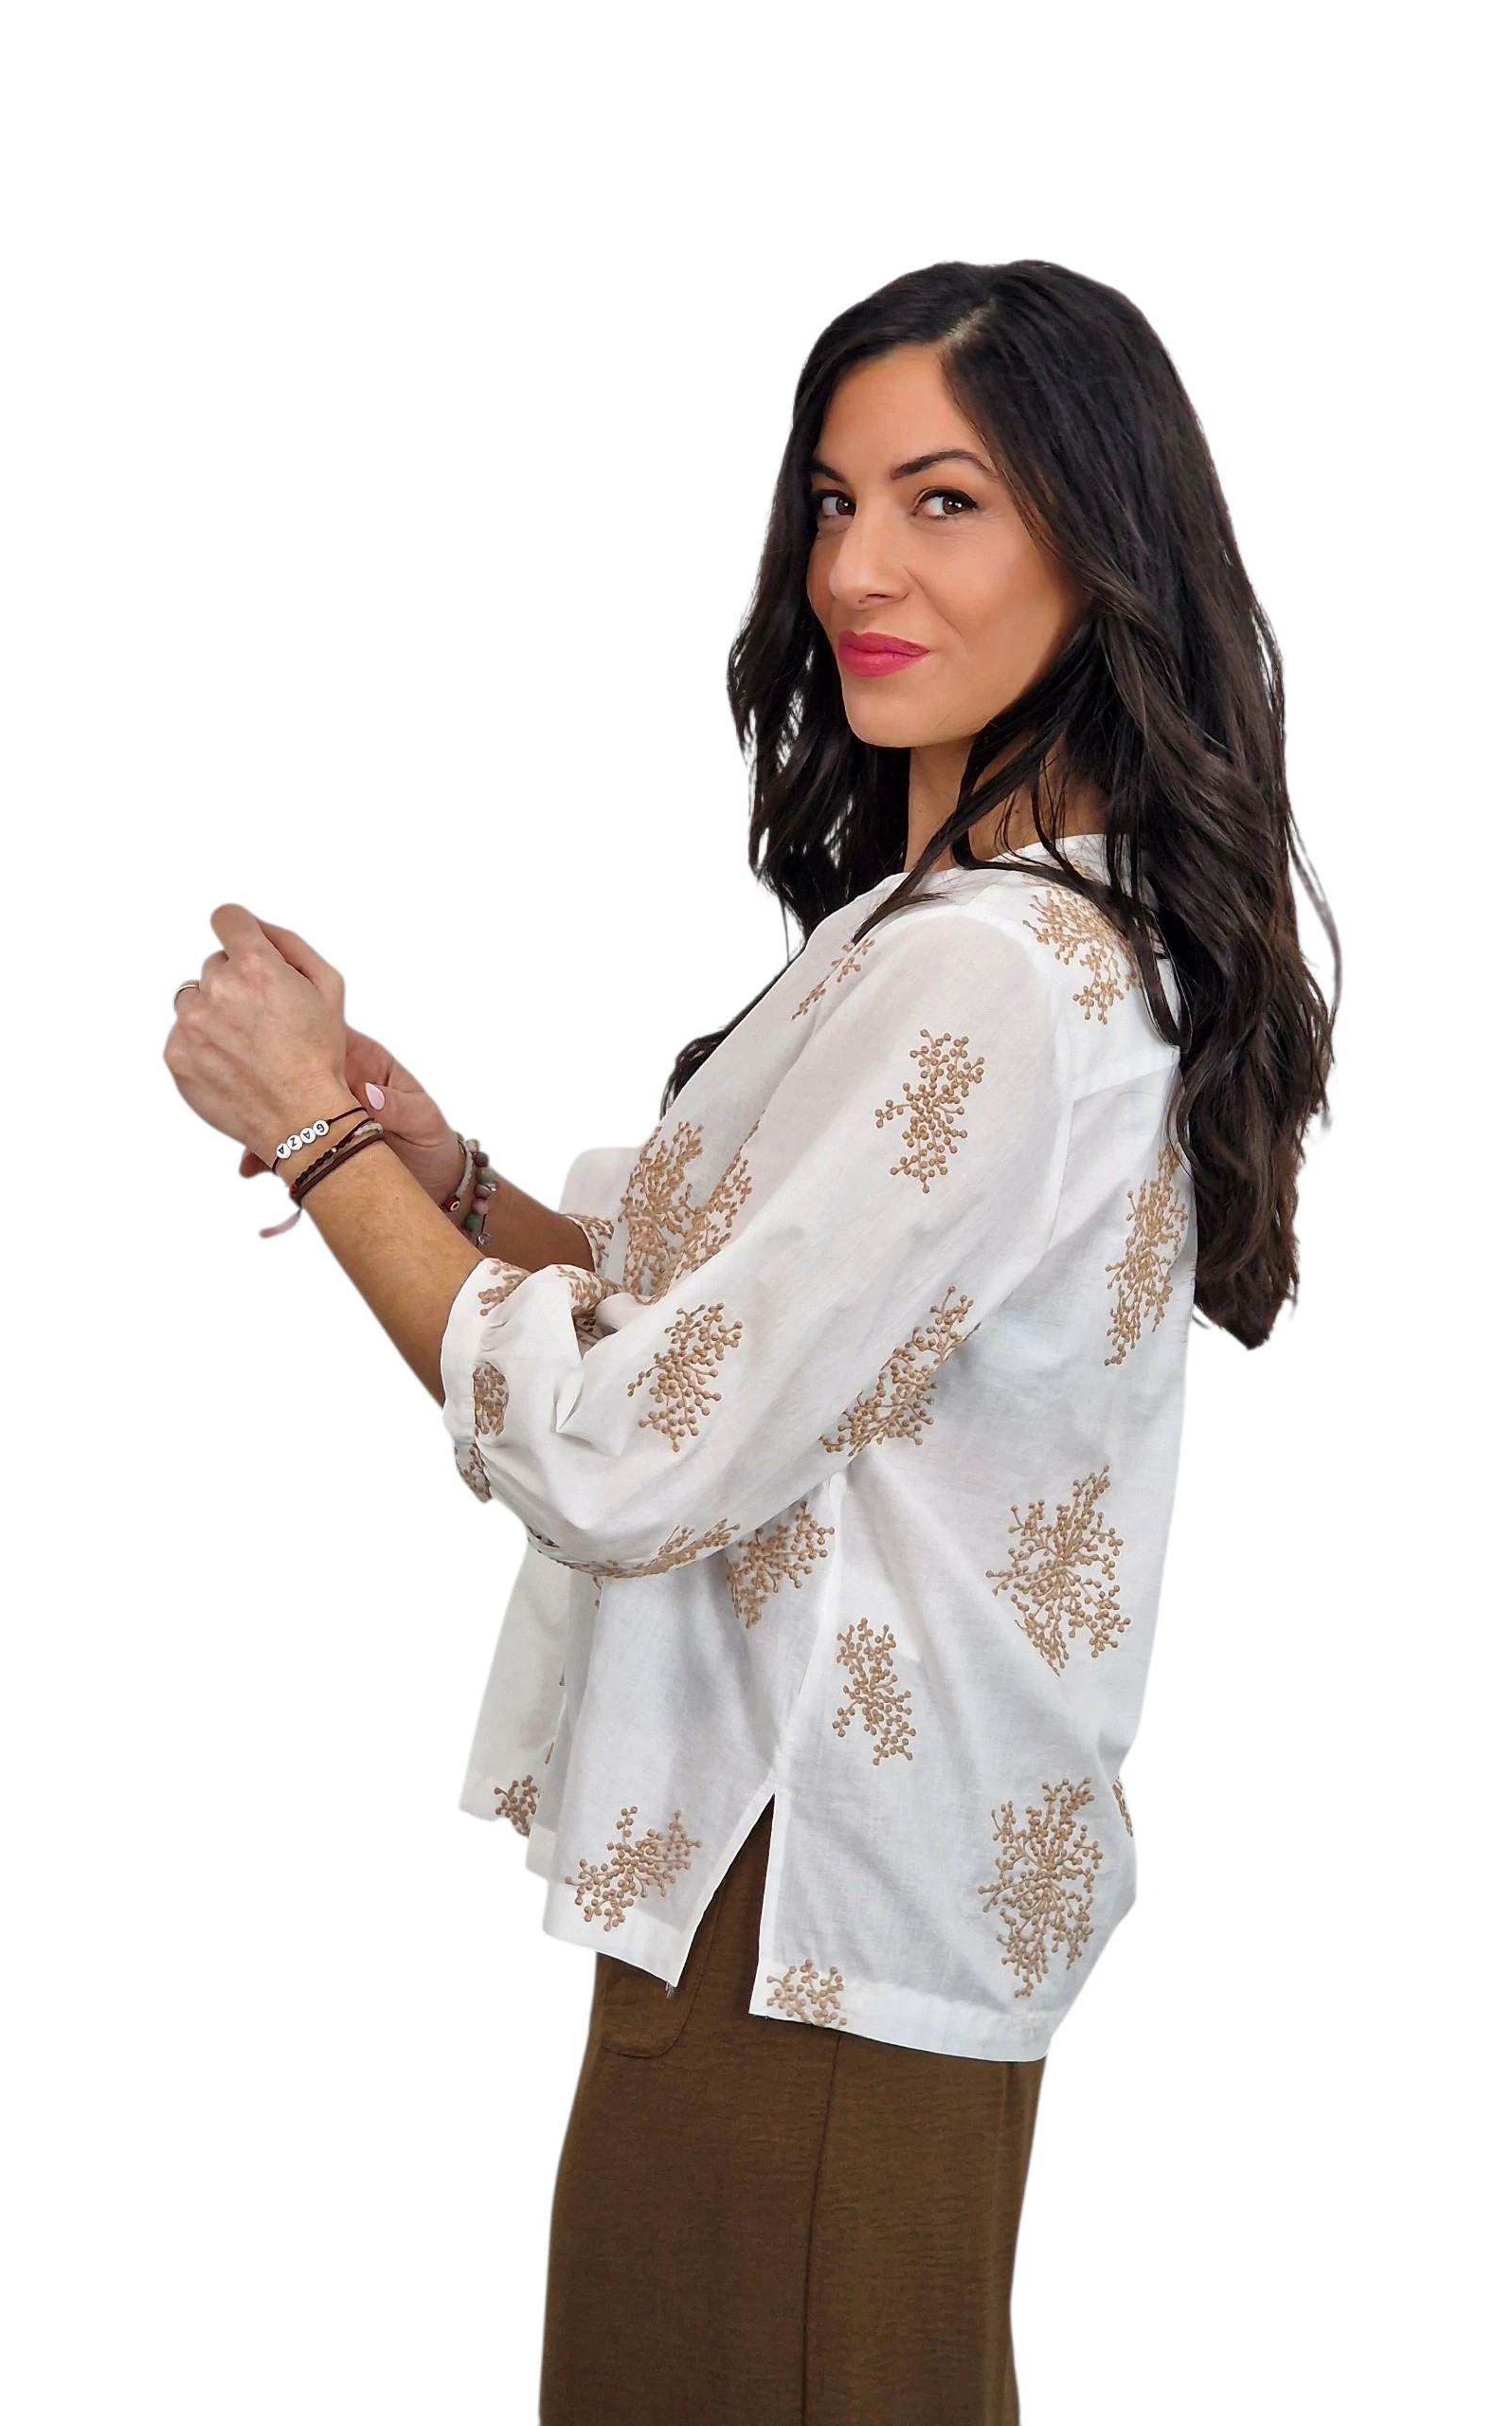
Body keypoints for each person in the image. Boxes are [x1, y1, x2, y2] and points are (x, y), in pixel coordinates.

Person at [164, 258, 1339, 2425]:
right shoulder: (958, 933)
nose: (857, 569)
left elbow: (633, 1450)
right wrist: (434, 1164)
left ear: (1104, 540)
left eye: (945, 499)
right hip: (796, 1886)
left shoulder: (995, 970)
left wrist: (313, 1135)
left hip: (816, 1908)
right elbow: (743, 1332)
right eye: (831, 500)